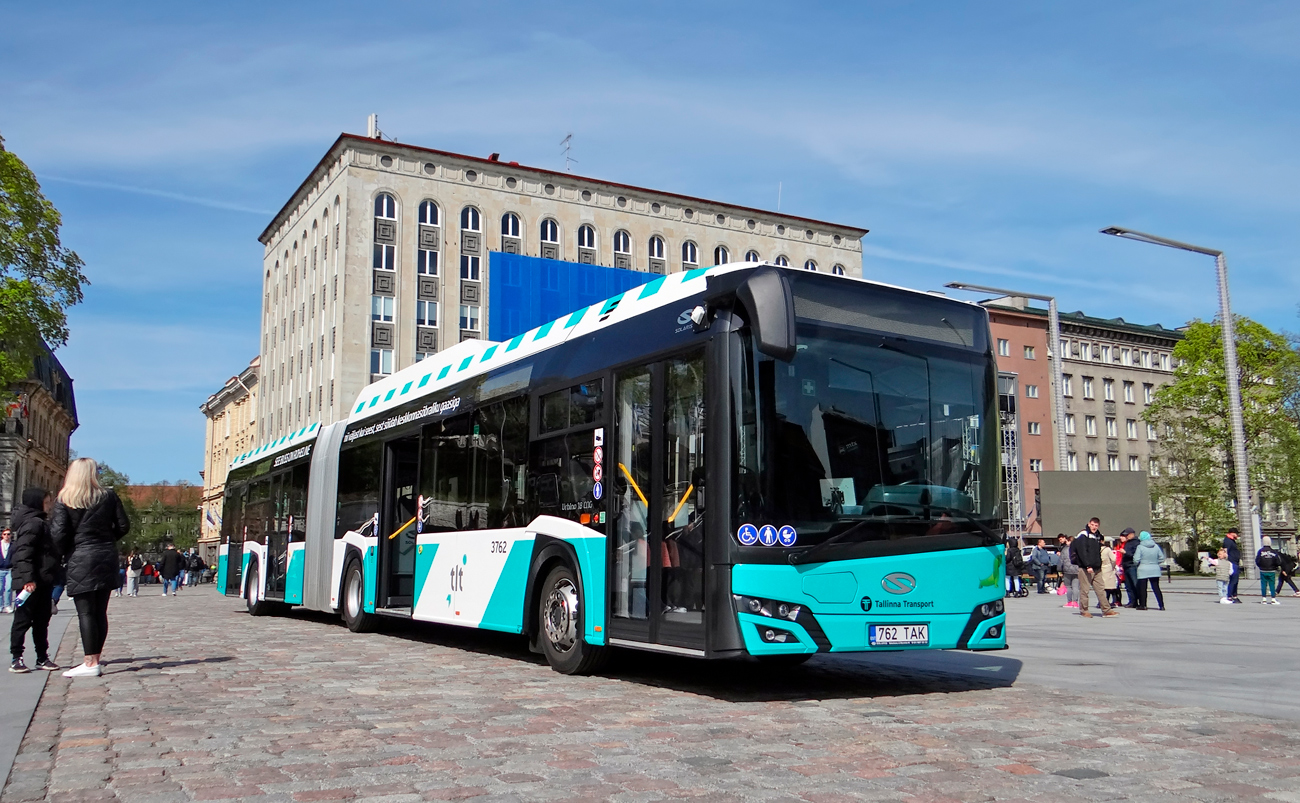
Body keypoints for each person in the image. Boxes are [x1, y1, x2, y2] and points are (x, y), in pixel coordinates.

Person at [51, 457, 131, 678]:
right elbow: (123, 525)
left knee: (85, 612)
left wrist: (65, 552)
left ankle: (89, 662)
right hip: (105, 555)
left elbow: (58, 534)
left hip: (80, 556)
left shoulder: (65, 499)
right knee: (100, 611)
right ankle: (95, 657)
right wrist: (107, 539)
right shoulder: (108, 496)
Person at [8, 488, 59, 673]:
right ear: (38, 503)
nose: (49, 506)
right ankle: (16, 658)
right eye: (46, 502)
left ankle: (42, 657)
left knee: (41, 621)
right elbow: (23, 553)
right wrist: (28, 579)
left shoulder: (40, 522)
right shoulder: (33, 523)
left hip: (42, 579)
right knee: (22, 621)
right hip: (30, 582)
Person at [1071, 517, 1116, 618]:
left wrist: (1097, 565)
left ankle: (1106, 610)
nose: (1094, 527)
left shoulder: (1097, 536)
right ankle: (1084, 610)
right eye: (1092, 525)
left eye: (1096, 525)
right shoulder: (1083, 536)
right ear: (1089, 524)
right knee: (1085, 590)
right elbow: (1082, 552)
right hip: (1086, 568)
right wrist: (1088, 565)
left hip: (1097, 568)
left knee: (1100, 589)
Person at [1133, 531, 1166, 611]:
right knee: (1156, 587)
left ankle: (1143, 605)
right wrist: (1155, 562)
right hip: (1155, 568)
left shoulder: (1140, 547)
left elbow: (1136, 559)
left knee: (1143, 588)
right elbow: (1162, 557)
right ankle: (1161, 605)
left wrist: (1138, 564)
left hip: (1143, 569)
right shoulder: (1156, 546)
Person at [1255, 536, 1282, 605]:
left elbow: (1257, 561)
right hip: (1272, 570)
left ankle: (1264, 599)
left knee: (1263, 584)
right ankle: (1273, 598)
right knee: (1272, 585)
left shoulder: (1260, 551)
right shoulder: (1274, 551)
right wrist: (1275, 567)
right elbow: (1278, 562)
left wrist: (1260, 566)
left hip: (1263, 570)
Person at [1119, 529, 1139, 608]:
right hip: (1126, 565)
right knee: (1128, 585)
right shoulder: (1127, 543)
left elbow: (1135, 555)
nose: (1126, 536)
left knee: (1135, 584)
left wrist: (1126, 553)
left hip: (1132, 565)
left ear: (1132, 534)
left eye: (1127, 535)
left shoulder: (1136, 543)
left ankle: (1139, 601)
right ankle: (1132, 601)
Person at [1059, 533, 1079, 607]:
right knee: (1076, 586)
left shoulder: (1065, 550)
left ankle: (1070, 602)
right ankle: (1076, 602)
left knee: (1068, 586)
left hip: (1067, 570)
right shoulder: (1078, 549)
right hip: (1076, 570)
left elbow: (1061, 560)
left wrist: (1059, 569)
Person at [1224, 528, 1242, 603]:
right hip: (1232, 563)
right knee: (1233, 580)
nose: (1237, 536)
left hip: (1235, 562)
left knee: (1236, 580)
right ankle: (1230, 596)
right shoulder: (1227, 541)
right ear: (1232, 533)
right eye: (1236, 534)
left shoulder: (1231, 541)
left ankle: (1234, 595)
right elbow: (1225, 551)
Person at [1101, 538, 1120, 606]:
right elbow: (1114, 559)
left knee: (1102, 587)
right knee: (1110, 586)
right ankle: (1113, 601)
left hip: (1100, 568)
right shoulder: (1107, 549)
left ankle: (1102, 601)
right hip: (1108, 568)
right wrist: (1113, 566)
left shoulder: (1095, 549)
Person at [0, 527, 13, 613]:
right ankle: (0, 605)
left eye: (8, 534)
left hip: (9, 569)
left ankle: (7, 605)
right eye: (5, 534)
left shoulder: (13, 545)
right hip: (0, 569)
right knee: (0, 588)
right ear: (2, 535)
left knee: (8, 588)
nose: (6, 536)